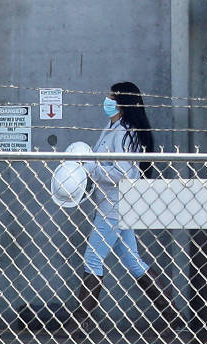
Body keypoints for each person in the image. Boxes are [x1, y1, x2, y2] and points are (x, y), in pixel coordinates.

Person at [75, 81, 179, 329]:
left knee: (92, 258)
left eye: (112, 97)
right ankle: (174, 318)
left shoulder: (124, 131)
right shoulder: (113, 127)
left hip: (116, 205)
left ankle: (79, 325)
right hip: (112, 203)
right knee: (134, 263)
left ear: (122, 102)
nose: (107, 101)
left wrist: (90, 168)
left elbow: (123, 172)